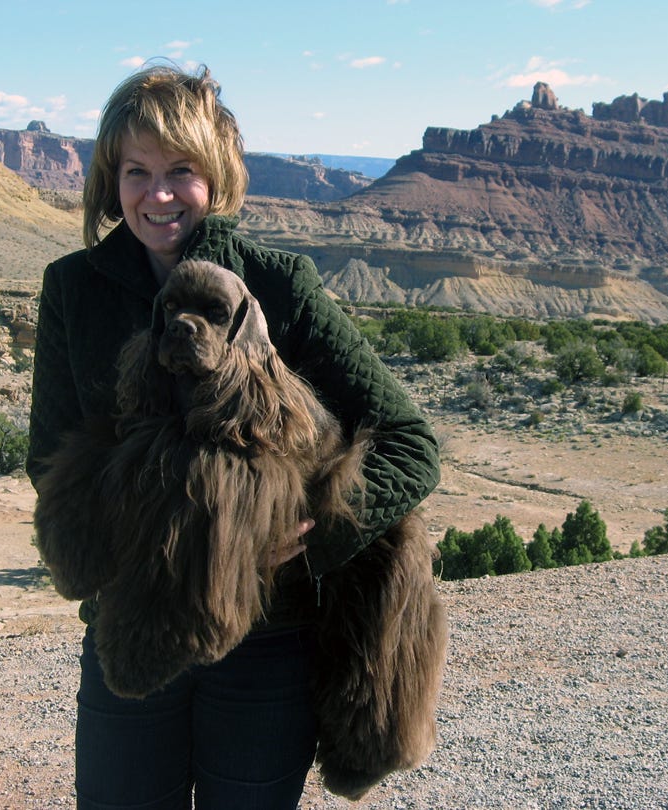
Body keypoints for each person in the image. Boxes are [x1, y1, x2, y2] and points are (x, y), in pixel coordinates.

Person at [26, 63, 440, 810]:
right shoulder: (73, 289)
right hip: (130, 625)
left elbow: (411, 444)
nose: (158, 195)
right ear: (109, 181)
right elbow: (47, 455)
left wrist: (304, 537)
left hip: (265, 641)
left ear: (215, 176)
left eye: (180, 171)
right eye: (137, 172)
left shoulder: (280, 285)